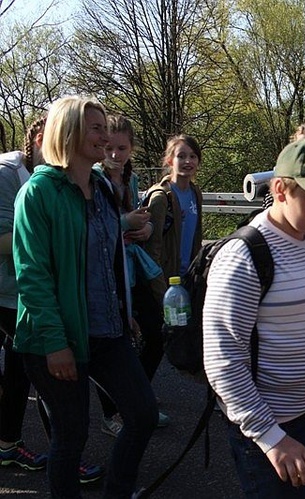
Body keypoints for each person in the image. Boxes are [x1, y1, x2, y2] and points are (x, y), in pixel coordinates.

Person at [13, 95, 158, 498]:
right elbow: (33, 274)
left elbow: (111, 259)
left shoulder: (103, 187)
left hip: (107, 328)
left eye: (104, 127)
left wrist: (123, 310)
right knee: (71, 436)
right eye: (95, 128)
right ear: (69, 131)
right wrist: (56, 343)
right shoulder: (39, 193)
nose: (105, 135)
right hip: (54, 339)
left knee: (143, 415)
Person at [203, 137, 305, 498]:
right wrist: (273, 440)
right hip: (275, 431)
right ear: (279, 190)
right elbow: (222, 362)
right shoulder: (243, 258)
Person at [96, 114, 170, 432]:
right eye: (109, 147)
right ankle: (113, 414)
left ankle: (139, 399)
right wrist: (126, 223)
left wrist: (147, 225)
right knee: (114, 343)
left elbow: (139, 215)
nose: (115, 155)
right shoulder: (94, 179)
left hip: (130, 266)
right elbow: (95, 227)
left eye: (122, 148)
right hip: (105, 271)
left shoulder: (131, 178)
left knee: (156, 333)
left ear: (131, 149)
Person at [0, 117, 48, 471]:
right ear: (40, 139)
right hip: (6, 291)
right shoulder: (7, 174)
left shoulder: (59, 176)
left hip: (25, 292)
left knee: (22, 371)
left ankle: (7, 443)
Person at [144, 134, 203, 283]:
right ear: (170, 160)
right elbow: (152, 250)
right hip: (167, 281)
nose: (188, 161)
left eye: (193, 156)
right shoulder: (161, 197)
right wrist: (160, 290)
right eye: (181, 156)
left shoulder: (195, 193)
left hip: (189, 278)